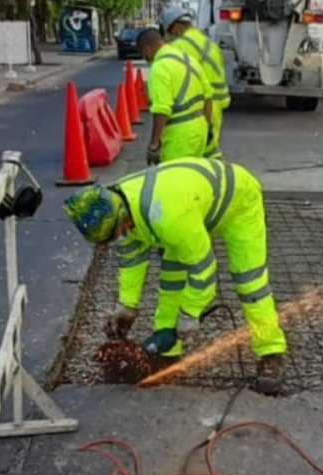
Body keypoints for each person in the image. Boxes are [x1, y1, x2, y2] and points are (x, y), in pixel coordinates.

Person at [63, 158, 289, 395]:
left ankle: (271, 352)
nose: (118, 238)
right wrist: (126, 305)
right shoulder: (115, 204)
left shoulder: (169, 218)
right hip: (190, 204)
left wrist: (190, 314)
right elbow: (131, 258)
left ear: (124, 218)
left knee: (250, 284)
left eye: (116, 233)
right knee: (171, 283)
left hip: (238, 201)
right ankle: (168, 354)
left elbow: (204, 270)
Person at [135, 28, 213, 166]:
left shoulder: (159, 68)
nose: (145, 58)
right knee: (193, 178)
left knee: (173, 182)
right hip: (200, 131)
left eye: (143, 54)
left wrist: (154, 143)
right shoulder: (189, 59)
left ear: (147, 48)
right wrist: (207, 127)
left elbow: (162, 109)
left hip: (179, 138)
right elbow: (208, 96)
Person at [161, 7, 231, 159]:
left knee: (192, 157)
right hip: (217, 107)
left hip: (198, 108)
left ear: (177, 26)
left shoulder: (179, 47)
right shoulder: (211, 45)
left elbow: (178, 79)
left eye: (171, 31)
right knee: (211, 151)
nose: (171, 35)